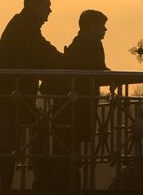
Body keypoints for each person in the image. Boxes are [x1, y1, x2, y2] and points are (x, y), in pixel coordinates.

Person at [0, 0, 62, 190]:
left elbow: (39, 52)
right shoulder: (24, 28)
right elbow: (41, 52)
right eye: (46, 6)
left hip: (14, 97)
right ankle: (40, 180)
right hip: (12, 98)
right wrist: (65, 61)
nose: (50, 10)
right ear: (32, 6)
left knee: (18, 141)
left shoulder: (22, 25)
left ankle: (35, 179)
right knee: (11, 146)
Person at [42, 10, 109, 189]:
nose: (105, 29)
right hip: (75, 108)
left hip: (70, 107)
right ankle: (65, 186)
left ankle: (61, 184)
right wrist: (113, 78)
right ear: (90, 27)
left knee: (65, 151)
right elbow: (96, 72)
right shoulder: (88, 45)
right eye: (101, 25)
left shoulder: (82, 44)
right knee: (68, 151)